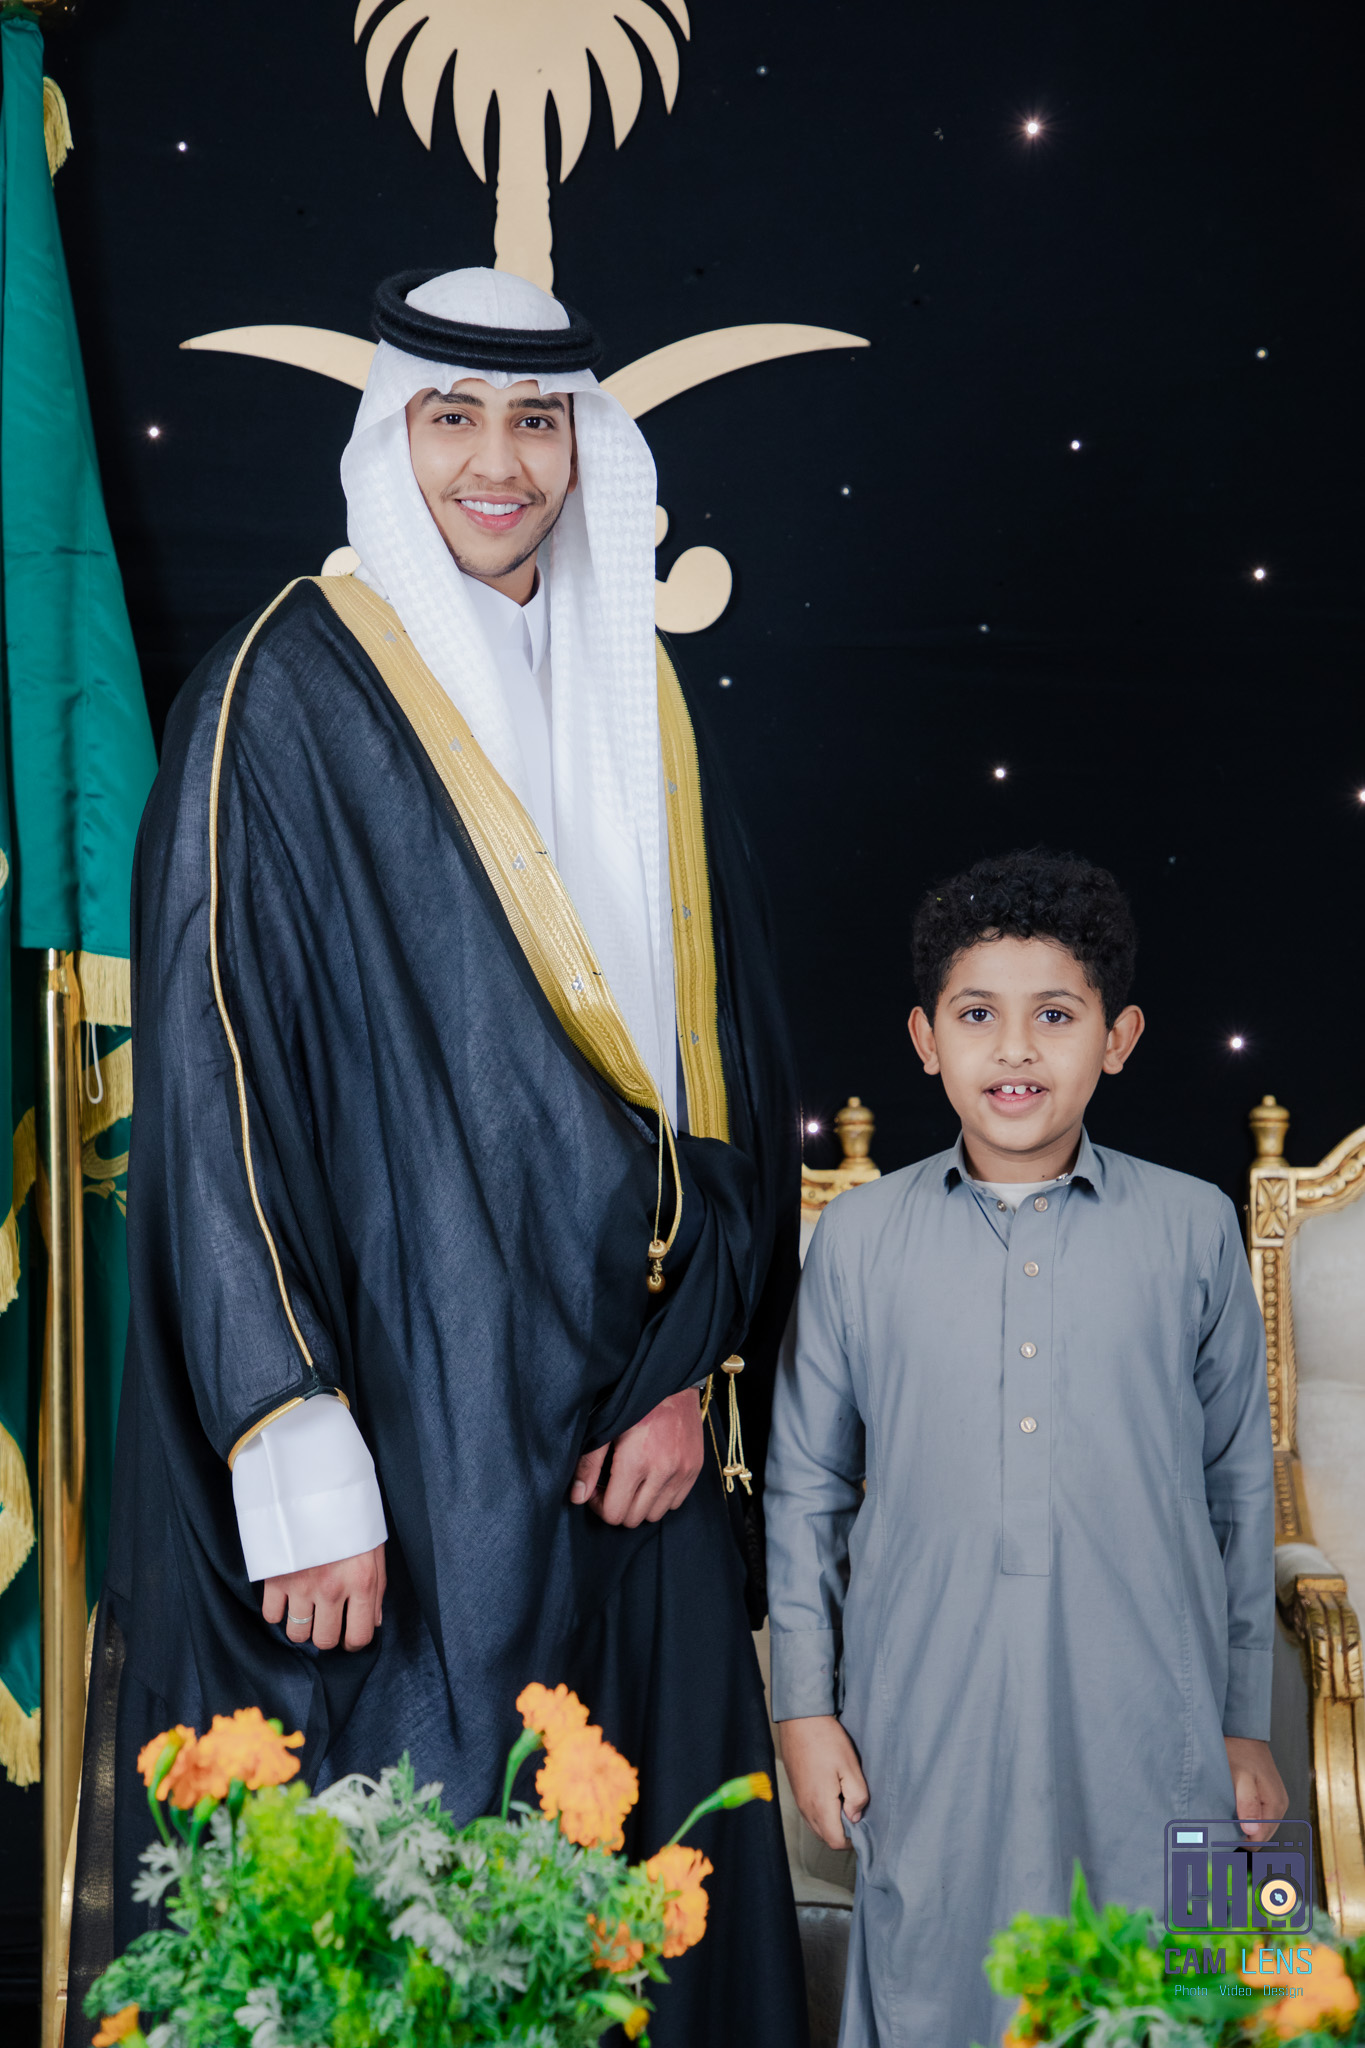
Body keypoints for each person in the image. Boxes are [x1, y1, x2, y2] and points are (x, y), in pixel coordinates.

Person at [71, 267, 808, 2048]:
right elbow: (215, 1079)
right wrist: (297, 1451)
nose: (501, 462)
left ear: (585, 444)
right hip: (403, 1436)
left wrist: (688, 1367)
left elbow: (727, 1070)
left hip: (625, 1440)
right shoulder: (282, 690)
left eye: (539, 420)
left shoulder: (639, 695)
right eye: (454, 417)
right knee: (413, 1907)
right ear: (387, 436)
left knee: (646, 1905)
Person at [764, 849, 1283, 2048]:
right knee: (936, 1970)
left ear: (1119, 1037)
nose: (1014, 1050)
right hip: (924, 1708)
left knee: (1188, 1975)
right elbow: (803, 1489)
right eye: (976, 1015)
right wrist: (804, 1709)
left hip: (1157, 1709)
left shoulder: (1196, 1225)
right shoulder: (857, 1239)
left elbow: (1239, 1486)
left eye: (1055, 1014)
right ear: (924, 1038)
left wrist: (1243, 1720)